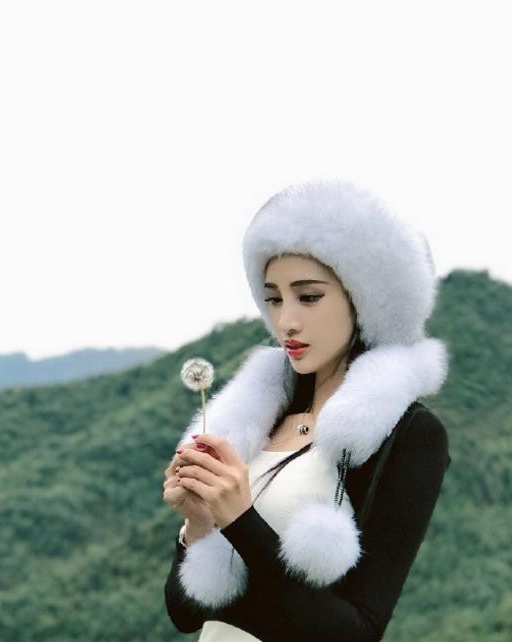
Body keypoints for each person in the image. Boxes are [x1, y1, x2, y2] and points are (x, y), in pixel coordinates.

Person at [162, 179, 452, 642]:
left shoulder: (409, 434)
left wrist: (239, 520)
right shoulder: (260, 422)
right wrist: (199, 523)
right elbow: (186, 615)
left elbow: (356, 632)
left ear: (364, 297)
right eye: (274, 298)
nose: (286, 321)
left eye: (309, 297)